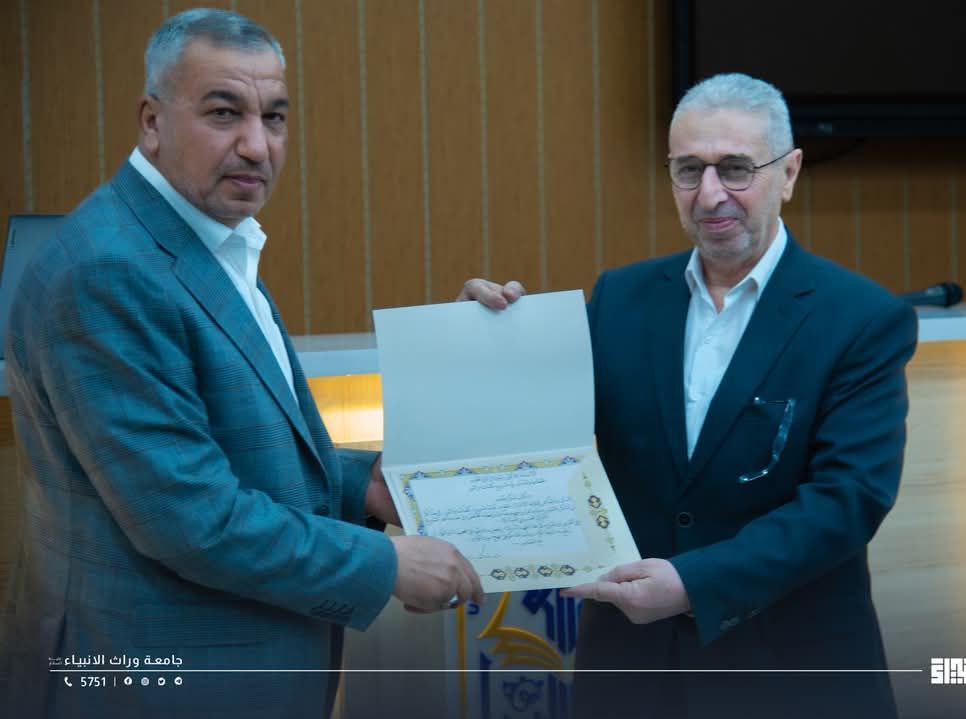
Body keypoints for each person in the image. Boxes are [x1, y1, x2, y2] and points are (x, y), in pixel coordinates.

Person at [0, 9, 501, 718]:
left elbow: (226, 446)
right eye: (223, 113)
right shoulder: (109, 270)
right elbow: (191, 517)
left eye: (274, 117)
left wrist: (362, 485)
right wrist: (384, 564)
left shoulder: (202, 238)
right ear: (152, 122)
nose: (257, 145)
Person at [464, 73, 917, 718]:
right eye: (688, 170)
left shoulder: (861, 318)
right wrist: (478, 342)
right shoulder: (619, 300)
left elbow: (847, 501)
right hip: (630, 673)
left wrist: (692, 584)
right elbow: (533, 437)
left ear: (788, 173)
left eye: (735, 169)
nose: (709, 194)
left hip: (790, 674)